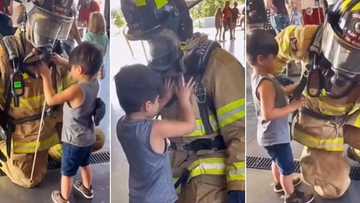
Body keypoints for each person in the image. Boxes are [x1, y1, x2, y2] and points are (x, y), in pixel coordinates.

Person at [121, 0, 245, 202]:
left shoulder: (220, 67)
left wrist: (239, 189)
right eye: (149, 42)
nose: (155, 50)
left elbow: (240, 133)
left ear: (177, 26)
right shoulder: (168, 70)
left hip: (210, 187)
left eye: (157, 40)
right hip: (175, 179)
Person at [0, 0, 105, 189]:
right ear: (26, 16)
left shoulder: (59, 52)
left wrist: (93, 102)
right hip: (24, 135)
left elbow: (76, 85)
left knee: (94, 139)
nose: (52, 33)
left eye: (58, 26)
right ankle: (10, 154)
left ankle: (47, 154)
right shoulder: (5, 54)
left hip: (55, 128)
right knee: (30, 178)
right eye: (48, 24)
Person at [273, 0, 360, 199]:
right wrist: (274, 89)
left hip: (352, 115)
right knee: (334, 185)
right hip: (320, 122)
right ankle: (317, 161)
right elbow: (274, 51)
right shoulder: (306, 38)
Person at [247, 29, 314, 203]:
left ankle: (279, 183)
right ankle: (291, 195)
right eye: (273, 57)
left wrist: (298, 85)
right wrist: (293, 106)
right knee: (287, 167)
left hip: (269, 136)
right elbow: (268, 113)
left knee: (276, 161)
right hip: (276, 136)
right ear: (261, 59)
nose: (277, 61)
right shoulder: (266, 83)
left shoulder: (261, 76)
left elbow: (281, 90)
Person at [115, 64, 196, 203]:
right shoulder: (156, 129)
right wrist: (184, 100)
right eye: (157, 99)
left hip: (137, 197)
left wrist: (163, 99)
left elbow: (145, 115)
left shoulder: (121, 124)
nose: (160, 101)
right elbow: (190, 125)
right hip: (162, 199)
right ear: (147, 105)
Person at [37, 42, 103, 203]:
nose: (70, 69)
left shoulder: (76, 90)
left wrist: (45, 76)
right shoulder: (95, 82)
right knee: (85, 164)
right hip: (88, 137)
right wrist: (62, 61)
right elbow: (81, 72)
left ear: (79, 70)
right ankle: (88, 189)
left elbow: (51, 99)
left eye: (72, 67)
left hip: (73, 141)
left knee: (67, 173)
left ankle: (64, 198)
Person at [83, 11, 109, 79]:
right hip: (98, 65)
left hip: (88, 66)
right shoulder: (105, 37)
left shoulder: (88, 36)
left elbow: (83, 52)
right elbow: (104, 53)